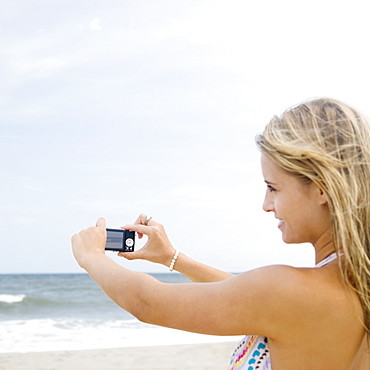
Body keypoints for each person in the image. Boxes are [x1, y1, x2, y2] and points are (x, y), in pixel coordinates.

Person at [72, 97, 370, 369]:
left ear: (322, 188)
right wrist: (172, 258)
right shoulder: (349, 285)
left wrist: (91, 256)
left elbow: (147, 303)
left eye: (273, 188)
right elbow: (247, 295)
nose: (266, 205)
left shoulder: (288, 292)